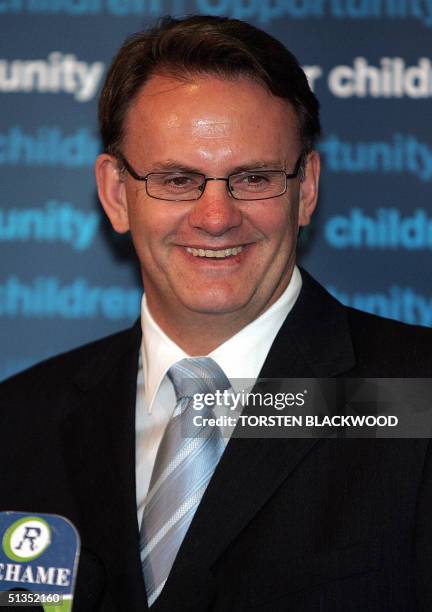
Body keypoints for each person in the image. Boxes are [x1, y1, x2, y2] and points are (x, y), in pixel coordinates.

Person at [1, 15, 432, 612]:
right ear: (115, 194)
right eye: (177, 180)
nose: (216, 217)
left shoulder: (415, 395)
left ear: (305, 188)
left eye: (253, 178)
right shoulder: (18, 423)